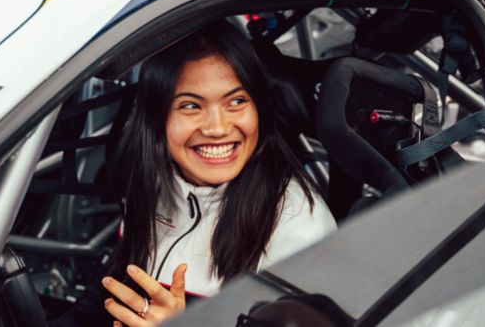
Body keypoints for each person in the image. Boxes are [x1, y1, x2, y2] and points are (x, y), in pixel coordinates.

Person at [100, 21, 337, 326]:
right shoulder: (154, 183)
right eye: (190, 106)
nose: (218, 129)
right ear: (157, 118)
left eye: (236, 102)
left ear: (259, 109)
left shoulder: (300, 230)